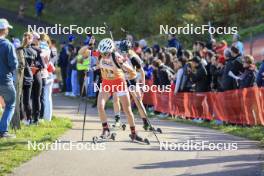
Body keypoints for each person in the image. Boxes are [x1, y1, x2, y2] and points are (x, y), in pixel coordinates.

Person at [96, 38, 145, 142]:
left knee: (127, 110)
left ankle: (134, 133)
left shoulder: (117, 58)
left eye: (105, 53)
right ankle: (106, 130)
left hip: (119, 83)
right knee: (100, 106)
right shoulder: (100, 54)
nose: (103, 55)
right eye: (102, 52)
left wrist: (126, 74)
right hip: (106, 83)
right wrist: (90, 69)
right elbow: (96, 64)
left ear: (110, 50)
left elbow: (133, 72)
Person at [0, 19, 18, 138]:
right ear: (4, 30)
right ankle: (3, 131)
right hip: (4, 80)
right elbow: (14, 64)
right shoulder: (8, 45)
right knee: (10, 104)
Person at [20, 32, 37, 125]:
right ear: (30, 39)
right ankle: (29, 119)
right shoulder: (34, 52)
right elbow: (33, 65)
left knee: (19, 100)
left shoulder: (19, 50)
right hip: (29, 77)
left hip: (20, 78)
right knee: (26, 101)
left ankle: (21, 119)